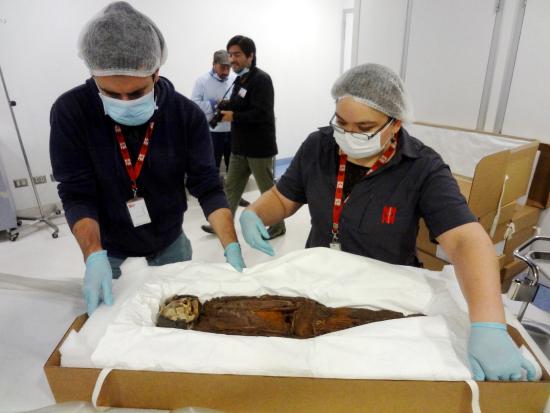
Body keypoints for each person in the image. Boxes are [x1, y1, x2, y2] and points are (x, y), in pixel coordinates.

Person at [238, 63, 536, 382]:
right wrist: (255, 213)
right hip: (319, 284)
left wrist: (488, 324)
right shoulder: (319, 146)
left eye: (364, 126)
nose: (349, 135)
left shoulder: (423, 167)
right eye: (341, 122)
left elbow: (465, 240)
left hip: (384, 295)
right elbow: (284, 199)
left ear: (395, 124)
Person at [49, 2, 245, 316]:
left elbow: (207, 186)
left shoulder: (185, 115)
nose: (125, 102)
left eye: (137, 92)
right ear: (94, 75)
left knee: (179, 317)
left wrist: (230, 243)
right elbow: (76, 192)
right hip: (106, 243)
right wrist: (93, 254)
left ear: (155, 72)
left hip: (169, 239)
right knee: (111, 321)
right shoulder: (71, 112)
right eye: (112, 94)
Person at [201, 35, 285, 239]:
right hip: (240, 146)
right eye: (230, 55)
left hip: (259, 147)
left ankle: (277, 226)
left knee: (267, 190)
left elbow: (262, 113)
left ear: (250, 55)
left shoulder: (261, 79)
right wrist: (226, 105)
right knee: (231, 187)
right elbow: (241, 104)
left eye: (237, 54)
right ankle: (223, 224)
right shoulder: (240, 79)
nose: (232, 60)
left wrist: (233, 115)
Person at [191, 50, 249, 235]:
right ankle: (216, 200)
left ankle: (235, 197)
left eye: (228, 67)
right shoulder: (201, 81)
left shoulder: (233, 80)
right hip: (212, 131)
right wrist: (215, 104)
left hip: (232, 131)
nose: (226, 70)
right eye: (223, 67)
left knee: (234, 166)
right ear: (214, 64)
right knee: (213, 166)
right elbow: (194, 103)